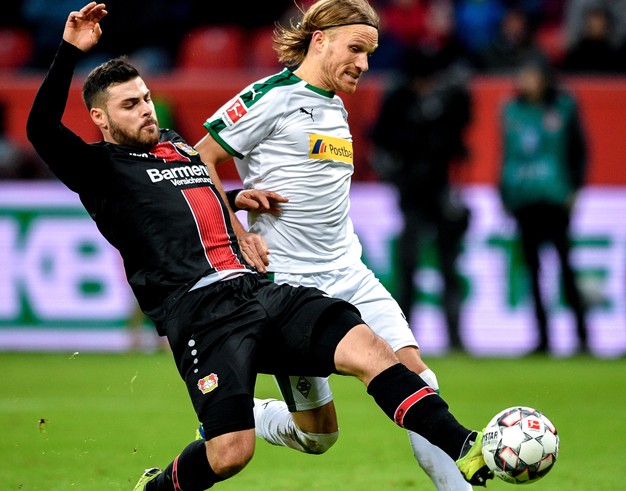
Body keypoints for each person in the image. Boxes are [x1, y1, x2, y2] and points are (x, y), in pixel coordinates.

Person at [25, 3, 494, 490]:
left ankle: (467, 446)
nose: (145, 109)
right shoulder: (98, 170)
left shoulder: (171, 147)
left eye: (145, 98)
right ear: (100, 119)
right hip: (201, 313)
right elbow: (40, 129)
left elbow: (179, 198)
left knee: (372, 350)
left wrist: (233, 198)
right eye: (130, 105)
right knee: (231, 453)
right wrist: (68, 50)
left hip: (256, 291)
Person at [193, 1, 474, 489]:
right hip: (292, 289)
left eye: (370, 53)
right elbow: (202, 159)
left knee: (418, 379)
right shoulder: (271, 96)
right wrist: (237, 230)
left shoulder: (336, 106)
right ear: (320, 40)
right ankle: (252, 416)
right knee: (318, 437)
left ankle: (462, 480)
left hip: (350, 272)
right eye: (356, 49)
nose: (364, 64)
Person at [370, 47, 472, 354]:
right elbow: (381, 140)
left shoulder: (447, 100)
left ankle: (454, 338)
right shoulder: (399, 101)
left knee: (447, 268)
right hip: (414, 195)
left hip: (438, 195)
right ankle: (404, 341)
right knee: (410, 267)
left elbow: (461, 134)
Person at [497, 54, 590, 355]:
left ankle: (582, 337)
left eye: (532, 75)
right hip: (524, 201)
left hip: (555, 200)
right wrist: (504, 193)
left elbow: (580, 150)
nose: (526, 82)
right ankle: (543, 339)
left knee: (565, 268)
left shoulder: (564, 106)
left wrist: (575, 189)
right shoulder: (511, 111)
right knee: (533, 273)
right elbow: (506, 155)